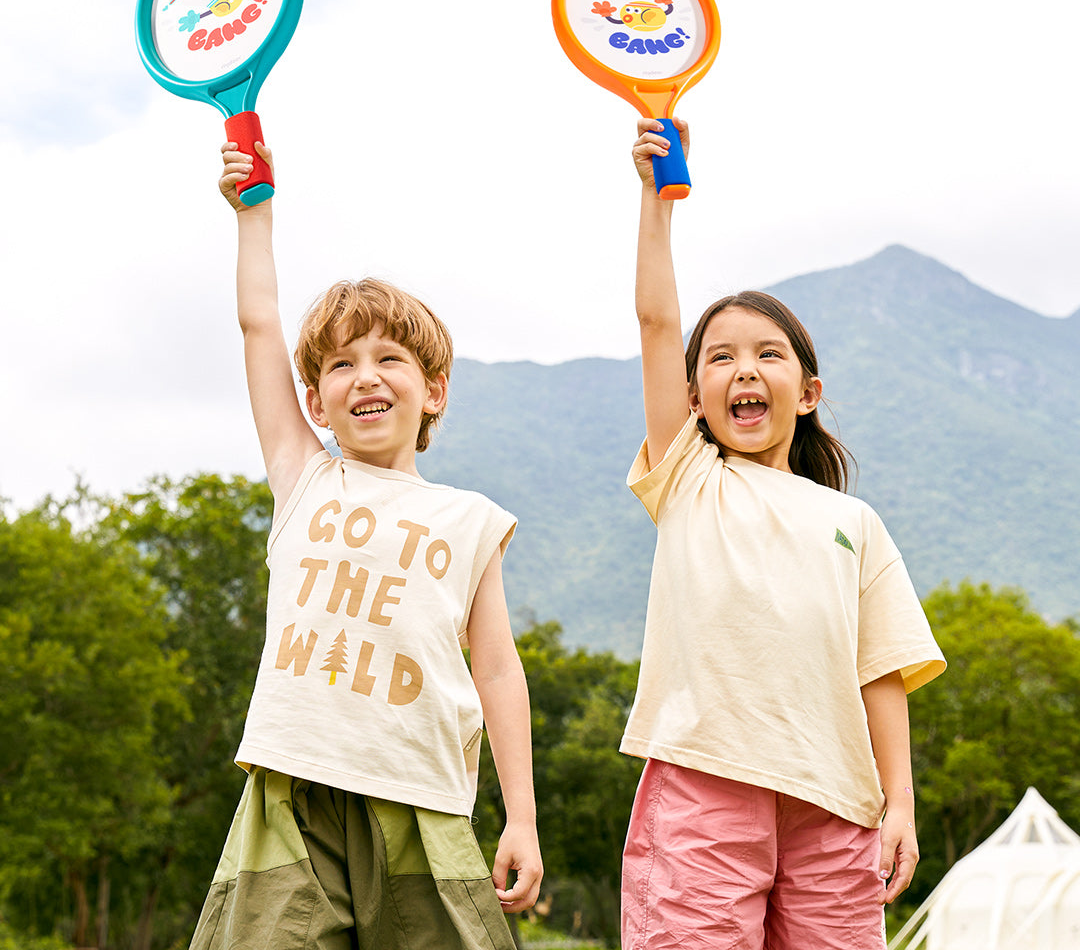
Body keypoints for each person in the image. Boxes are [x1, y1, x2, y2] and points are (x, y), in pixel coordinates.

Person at [188, 141, 542, 950]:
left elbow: (496, 669)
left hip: (420, 797)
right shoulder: (303, 477)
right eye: (342, 365)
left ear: (433, 389)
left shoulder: (471, 518)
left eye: (390, 358)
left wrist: (519, 815)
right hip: (293, 793)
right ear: (314, 400)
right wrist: (254, 214)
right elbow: (258, 324)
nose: (366, 377)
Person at [619, 118, 946, 950]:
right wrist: (655, 204)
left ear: (807, 390)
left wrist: (898, 802)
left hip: (837, 801)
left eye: (768, 355)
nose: (744, 371)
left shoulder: (854, 523)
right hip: (705, 783)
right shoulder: (689, 477)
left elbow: (882, 672)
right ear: (694, 397)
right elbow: (658, 324)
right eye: (720, 358)